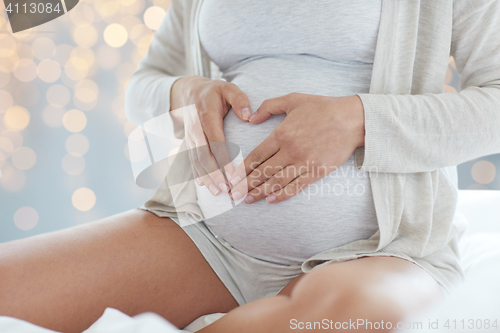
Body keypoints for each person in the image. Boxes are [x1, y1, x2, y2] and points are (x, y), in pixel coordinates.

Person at [1, 1, 500, 332]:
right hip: (205, 236)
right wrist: (182, 93)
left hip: (381, 249)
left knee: (355, 317)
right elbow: (147, 81)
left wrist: (359, 120)